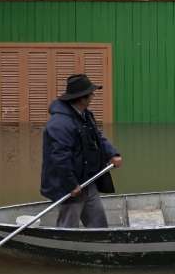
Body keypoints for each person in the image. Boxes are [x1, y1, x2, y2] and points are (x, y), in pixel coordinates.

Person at [40, 73, 123, 228]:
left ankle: (101, 247)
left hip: (87, 180)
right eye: (91, 93)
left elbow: (97, 137)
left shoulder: (85, 115)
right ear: (82, 98)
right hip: (69, 185)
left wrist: (112, 153)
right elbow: (59, 158)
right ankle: (64, 249)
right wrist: (71, 184)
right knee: (68, 227)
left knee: (98, 224)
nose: (93, 96)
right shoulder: (60, 123)